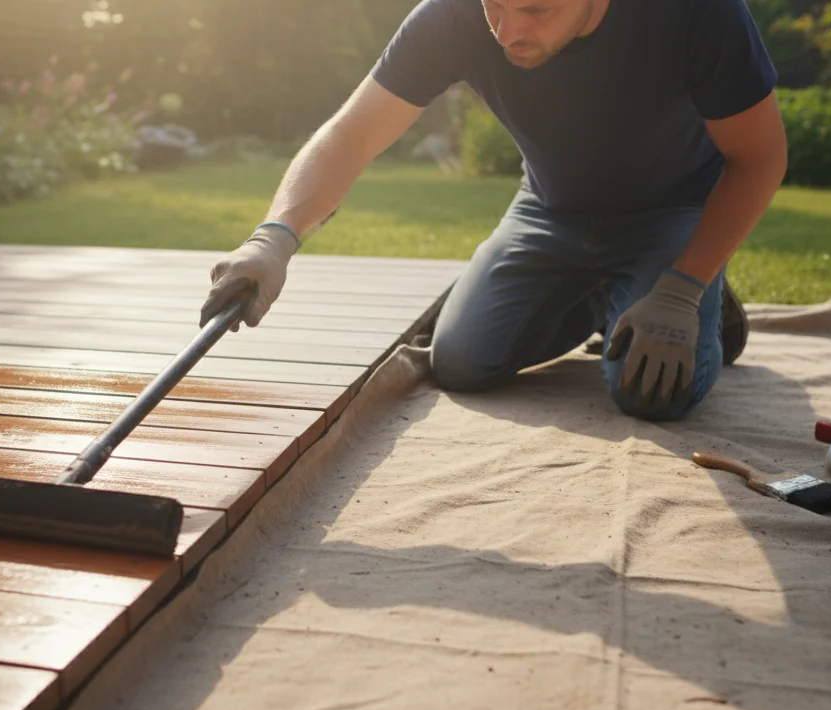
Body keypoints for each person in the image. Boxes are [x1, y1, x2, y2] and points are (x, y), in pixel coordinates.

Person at [199, 0, 788, 421]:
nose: (508, 33)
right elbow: (352, 135)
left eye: (536, 10)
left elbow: (760, 158)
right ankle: (619, 294)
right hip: (550, 209)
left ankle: (700, 288)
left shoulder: (696, 12)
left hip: (674, 210)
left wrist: (682, 288)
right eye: (496, 7)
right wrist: (273, 238)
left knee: (651, 395)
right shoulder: (452, 16)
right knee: (459, 363)